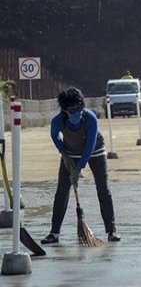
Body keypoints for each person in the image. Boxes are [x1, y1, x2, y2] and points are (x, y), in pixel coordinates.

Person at [41, 87, 120, 244]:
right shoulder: (57, 121)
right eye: (71, 110)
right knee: (62, 191)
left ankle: (111, 231)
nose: (76, 112)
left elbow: (90, 145)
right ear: (64, 110)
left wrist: (78, 169)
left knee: (103, 188)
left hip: (95, 151)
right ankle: (54, 233)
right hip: (70, 152)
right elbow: (55, 137)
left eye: (78, 108)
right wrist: (65, 156)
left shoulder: (90, 118)